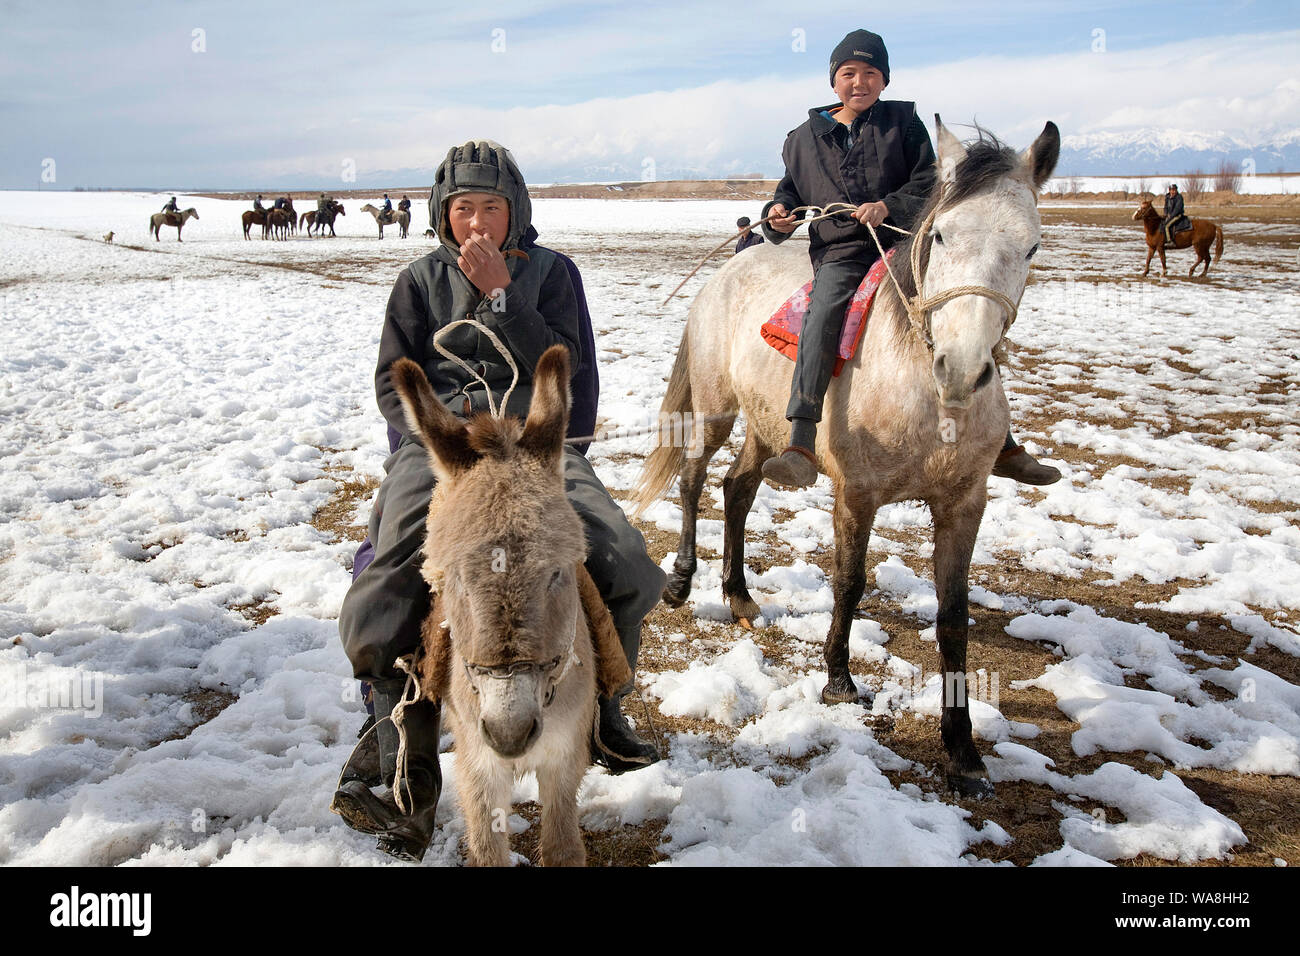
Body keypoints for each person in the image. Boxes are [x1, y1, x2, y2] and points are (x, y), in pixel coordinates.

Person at [332, 140, 666, 862]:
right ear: (442, 215)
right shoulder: (418, 279)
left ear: (515, 212)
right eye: (463, 209)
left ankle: (602, 706)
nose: (477, 223)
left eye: (491, 207)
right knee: (388, 576)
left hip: (537, 448)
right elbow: (395, 383)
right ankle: (401, 740)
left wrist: (503, 299)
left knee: (626, 559)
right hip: (444, 453)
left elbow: (569, 364)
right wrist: (438, 437)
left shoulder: (552, 274)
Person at [759, 28, 1059, 488]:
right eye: (848, 73)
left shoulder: (904, 124)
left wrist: (887, 206)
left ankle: (1003, 443)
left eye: (871, 73)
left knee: (965, 313)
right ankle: (801, 437)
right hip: (841, 251)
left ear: (885, 80)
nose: (859, 82)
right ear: (833, 81)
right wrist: (776, 215)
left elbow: (928, 183)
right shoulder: (801, 139)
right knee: (823, 310)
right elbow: (790, 192)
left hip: (901, 243)